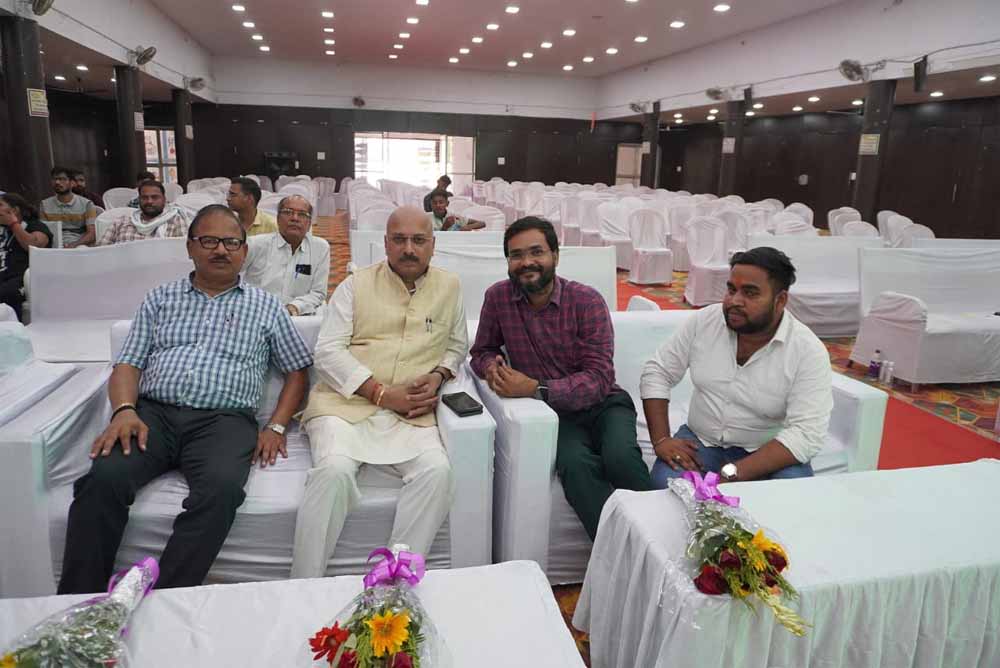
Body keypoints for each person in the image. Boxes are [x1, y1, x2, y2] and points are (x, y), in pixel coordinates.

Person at [57, 205, 313, 593]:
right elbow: (128, 363)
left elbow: (298, 371)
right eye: (209, 241)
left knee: (222, 491)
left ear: (244, 251)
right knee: (102, 481)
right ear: (190, 247)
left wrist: (276, 426)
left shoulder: (266, 306)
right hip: (152, 417)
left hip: (225, 423)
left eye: (231, 242)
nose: (221, 250)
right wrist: (124, 410)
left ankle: (162, 598)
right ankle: (79, 605)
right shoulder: (160, 299)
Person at [291, 205, 465, 579]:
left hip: (411, 415)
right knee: (334, 471)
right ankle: (304, 583)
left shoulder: (449, 286)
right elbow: (328, 352)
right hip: (344, 406)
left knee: (437, 472)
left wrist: (439, 375)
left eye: (418, 240)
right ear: (385, 244)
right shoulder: (355, 285)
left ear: (433, 245)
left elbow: (456, 345)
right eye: (399, 240)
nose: (409, 249)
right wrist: (381, 394)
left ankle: (394, 580)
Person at [470, 216, 652, 541]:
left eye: (536, 252)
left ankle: (659, 538)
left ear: (555, 255)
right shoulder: (498, 298)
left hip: (604, 404)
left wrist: (535, 387)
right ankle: (618, 547)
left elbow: (599, 377)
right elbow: (481, 350)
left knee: (621, 458)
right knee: (575, 465)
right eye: (516, 255)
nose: (527, 262)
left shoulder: (586, 301)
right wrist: (492, 367)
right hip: (556, 416)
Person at [641, 247, 833, 489]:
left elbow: (806, 433)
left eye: (750, 293)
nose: (734, 301)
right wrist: (661, 439)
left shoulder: (806, 350)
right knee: (665, 486)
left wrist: (731, 474)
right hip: (701, 441)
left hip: (766, 453)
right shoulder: (705, 322)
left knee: (791, 498)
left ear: (780, 300)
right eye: (731, 289)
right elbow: (658, 371)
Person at [243, 194, 330, 316]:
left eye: (302, 214)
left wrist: (295, 307)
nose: (295, 218)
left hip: (297, 317)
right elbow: (231, 279)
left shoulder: (320, 248)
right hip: (256, 314)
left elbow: (318, 292)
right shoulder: (255, 244)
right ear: (278, 218)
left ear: (309, 223)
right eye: (288, 212)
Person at [0, 193, 53, 321]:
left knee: (6, 293)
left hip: (21, 277)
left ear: (14, 210)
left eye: (0, 205)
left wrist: (13, 224)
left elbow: (34, 246)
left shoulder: (34, 225)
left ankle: (11, 329)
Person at [98, 180, 190, 245]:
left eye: (155, 197)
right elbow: (101, 251)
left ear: (164, 199)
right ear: (139, 199)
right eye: (144, 198)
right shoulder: (122, 222)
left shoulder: (175, 221)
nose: (149, 201)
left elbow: (183, 251)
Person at [39, 166, 97, 247]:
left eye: (62, 179)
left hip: (79, 245)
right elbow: (43, 231)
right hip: (53, 245)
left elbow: (92, 234)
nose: (57, 182)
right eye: (54, 179)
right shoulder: (44, 204)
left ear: (72, 183)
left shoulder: (87, 204)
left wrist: (74, 245)